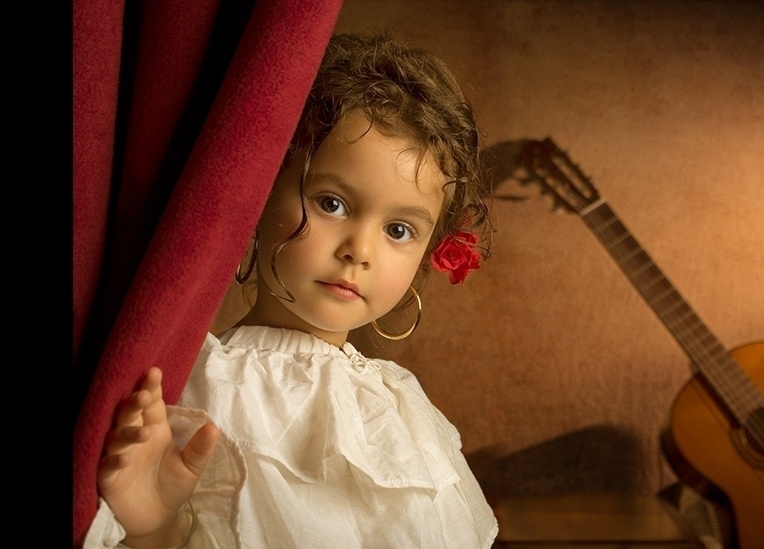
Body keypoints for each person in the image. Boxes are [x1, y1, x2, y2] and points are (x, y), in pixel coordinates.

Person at [85, 31, 498, 548]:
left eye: (398, 230)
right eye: (331, 203)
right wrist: (155, 526)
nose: (360, 250)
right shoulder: (204, 385)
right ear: (260, 195)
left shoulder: (402, 409)